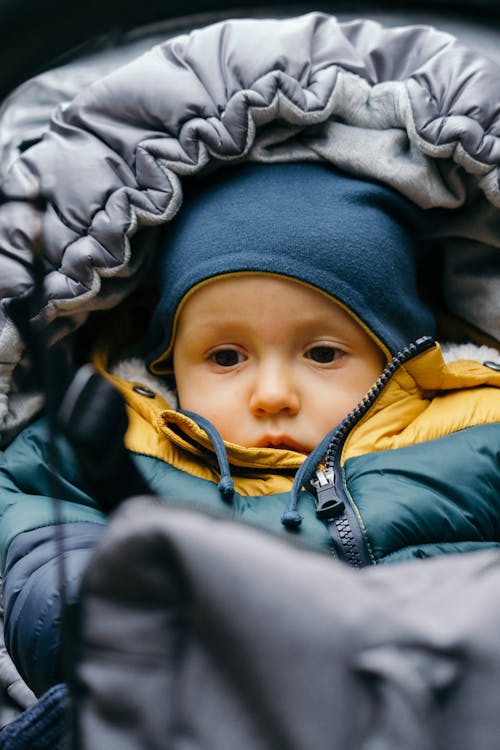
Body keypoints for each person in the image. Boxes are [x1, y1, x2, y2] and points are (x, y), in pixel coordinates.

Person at [1, 161, 499, 700]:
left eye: (323, 353)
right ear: (169, 363)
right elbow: (46, 570)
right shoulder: (105, 448)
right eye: (226, 356)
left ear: (394, 357)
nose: (272, 396)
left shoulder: (476, 430)